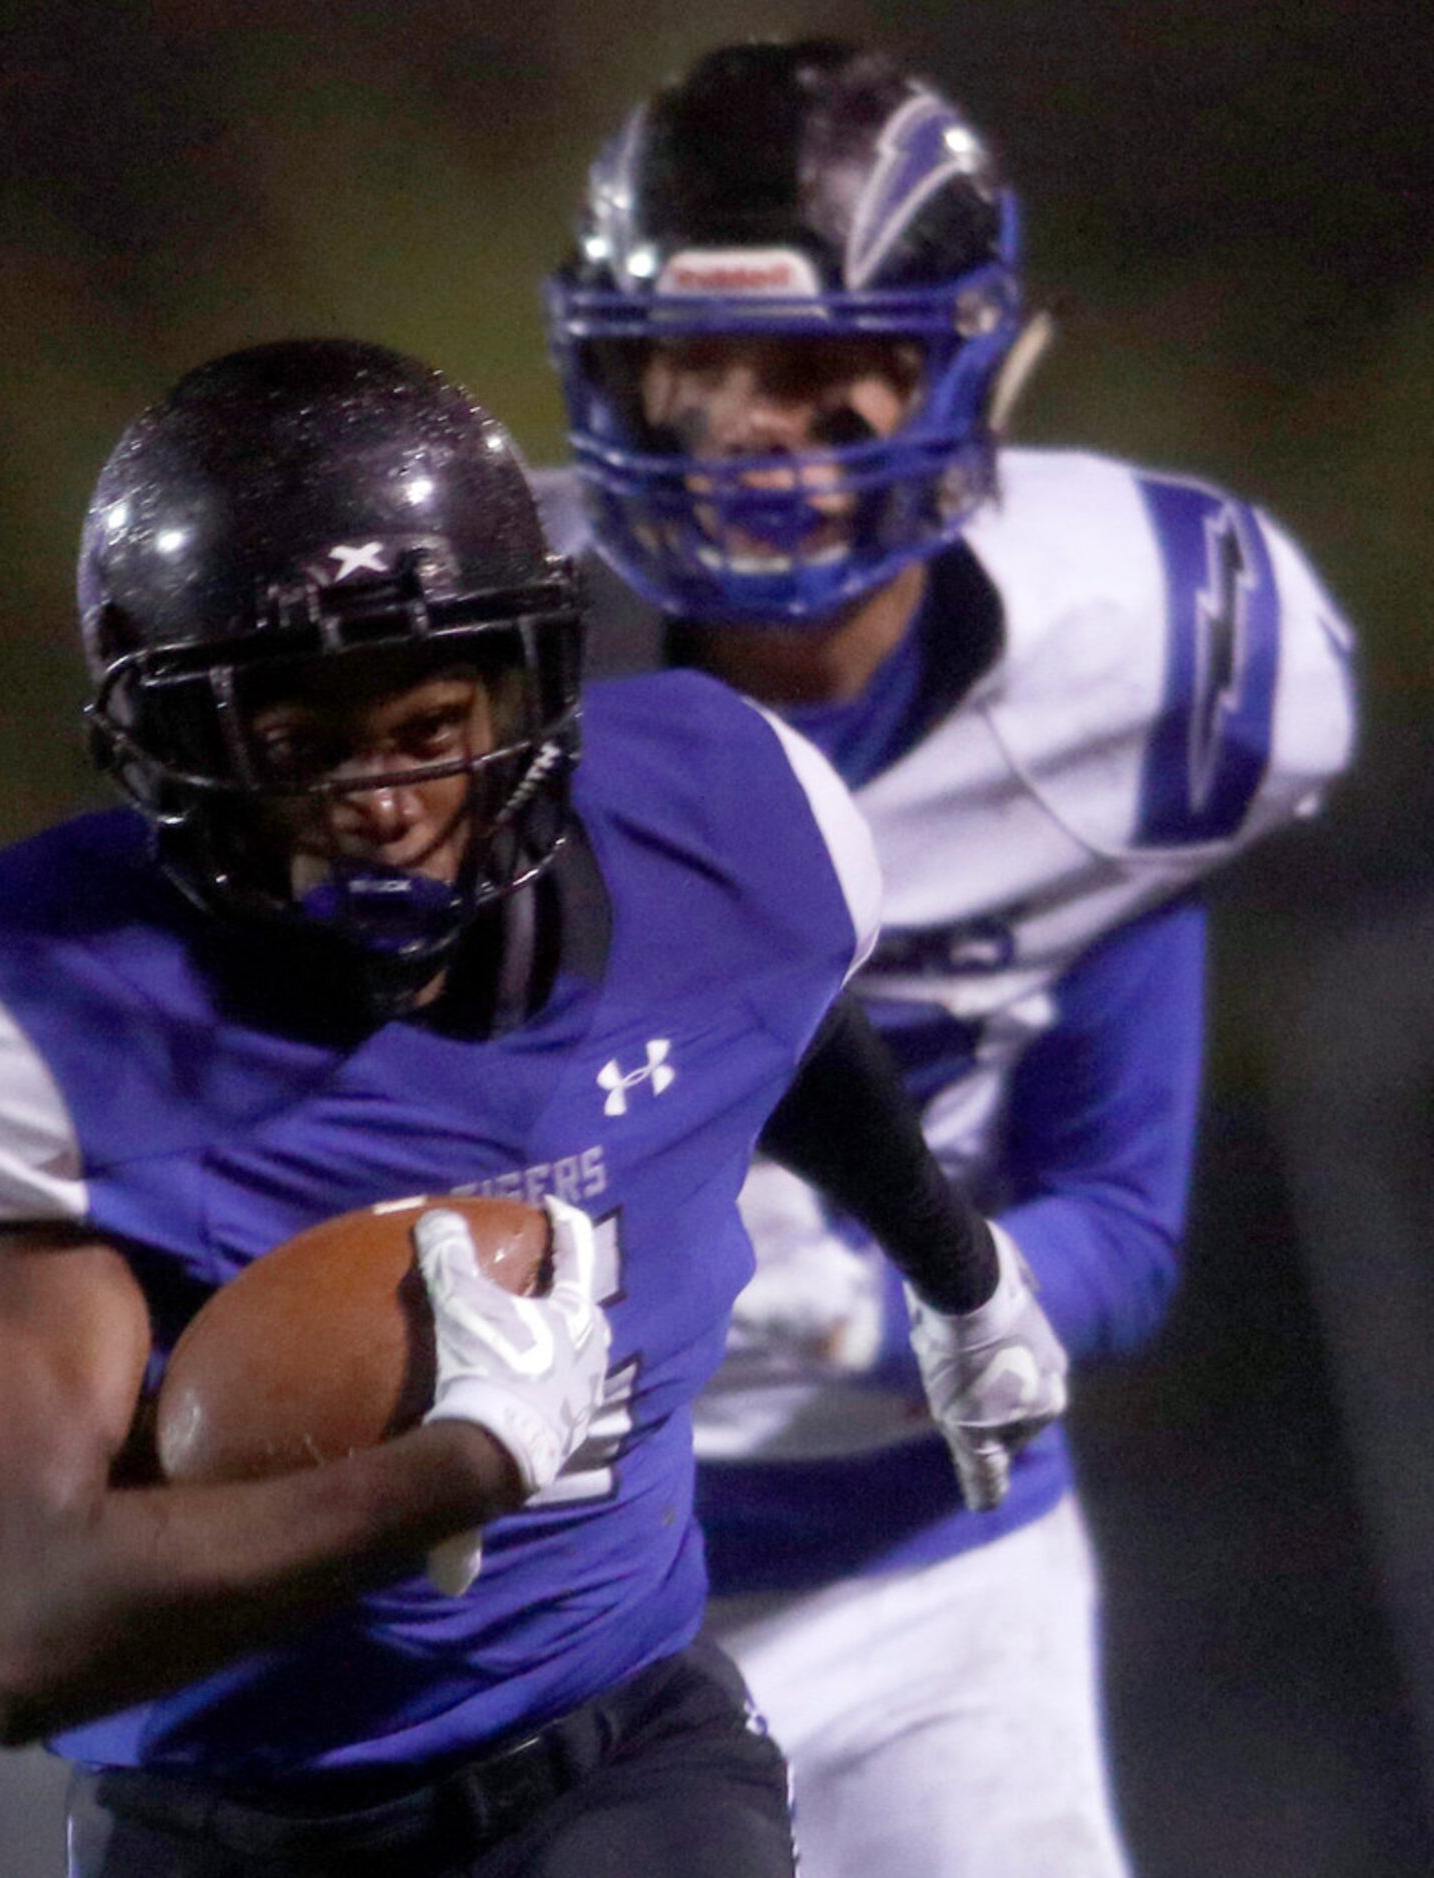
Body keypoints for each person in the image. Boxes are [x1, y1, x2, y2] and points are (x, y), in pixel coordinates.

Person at [0, 338, 1068, 1876]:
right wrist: (448, 1471)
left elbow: (777, 1019)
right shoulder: (47, 1016)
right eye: (299, 746)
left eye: (426, 725)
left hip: (616, 1759)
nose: (383, 799)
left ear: (525, 685)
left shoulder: (730, 835)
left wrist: (958, 1268)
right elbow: (14, 1638)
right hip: (229, 1828)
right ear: (179, 746)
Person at [538, 40, 1358, 1878]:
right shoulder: (478, 663)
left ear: (959, 362)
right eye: (702, 368)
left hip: (927, 1573)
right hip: (507, 1611)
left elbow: (1120, 1221)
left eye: (826, 369)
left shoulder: (1146, 666)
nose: (754, 435)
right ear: (617, 374)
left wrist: (897, 1295)